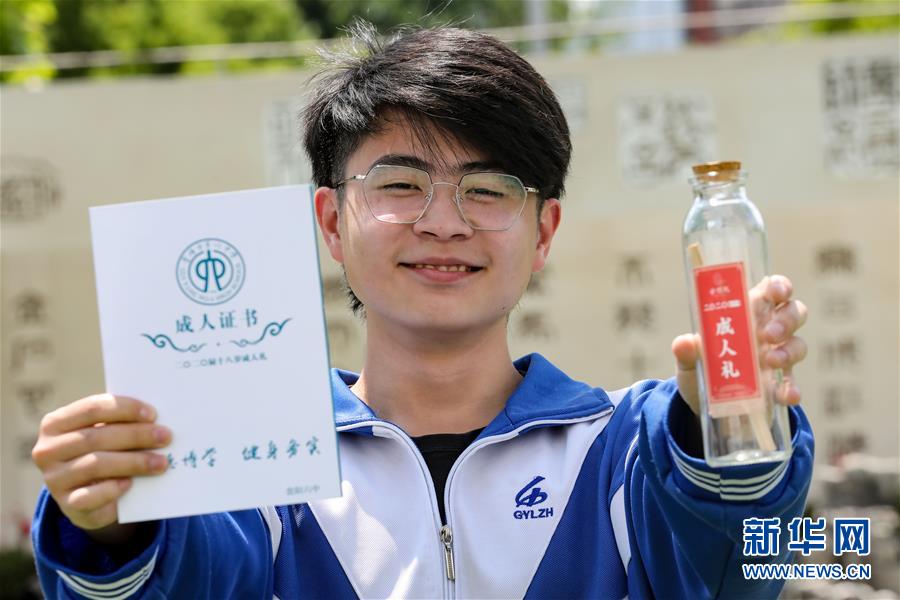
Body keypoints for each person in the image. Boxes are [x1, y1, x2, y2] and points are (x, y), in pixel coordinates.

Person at [30, 22, 813, 599]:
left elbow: (732, 567)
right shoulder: (255, 470)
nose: (444, 222)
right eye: (401, 185)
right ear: (331, 222)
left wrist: (725, 431)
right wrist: (116, 521)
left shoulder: (627, 452)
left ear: (543, 231)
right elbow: (189, 579)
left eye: (487, 189)